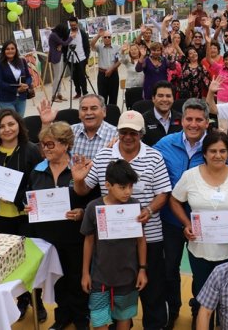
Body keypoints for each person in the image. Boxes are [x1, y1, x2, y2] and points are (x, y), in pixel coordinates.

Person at [72, 110, 171, 330]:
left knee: (151, 293)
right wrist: (78, 180)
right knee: (112, 298)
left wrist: (149, 210)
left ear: (141, 134)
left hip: (147, 236)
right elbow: (83, 188)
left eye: (133, 133)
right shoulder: (103, 155)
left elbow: (164, 193)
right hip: (108, 244)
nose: (128, 137)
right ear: (118, 132)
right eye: (124, 132)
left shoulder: (154, 156)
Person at [169, 130, 228, 326]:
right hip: (200, 249)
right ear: (204, 153)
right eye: (213, 151)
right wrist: (187, 224)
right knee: (201, 295)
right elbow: (174, 200)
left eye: (223, 151)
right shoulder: (190, 176)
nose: (218, 155)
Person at [26, 122, 93, 330]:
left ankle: (81, 318)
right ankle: (62, 316)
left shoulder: (81, 167)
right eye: (43, 145)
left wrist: (82, 212)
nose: (45, 149)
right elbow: (27, 194)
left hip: (75, 236)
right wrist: (28, 206)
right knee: (58, 279)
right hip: (48, 238)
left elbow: (94, 200)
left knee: (77, 278)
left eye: (50, 145)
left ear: (65, 145)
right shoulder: (38, 170)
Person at [0, 108, 44, 321]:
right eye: (2, 126)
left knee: (29, 261)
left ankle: (38, 299)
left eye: (11, 124)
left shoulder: (31, 149)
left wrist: (21, 199)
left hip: (23, 215)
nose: (7, 129)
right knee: (10, 262)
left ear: (19, 125)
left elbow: (38, 182)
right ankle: (22, 299)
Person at [154, 99, 210, 326]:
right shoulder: (165, 144)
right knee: (169, 268)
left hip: (203, 223)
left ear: (207, 122)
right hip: (170, 220)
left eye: (199, 120)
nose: (193, 124)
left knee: (202, 269)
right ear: (182, 120)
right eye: (189, 119)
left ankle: (200, 309)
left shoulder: (213, 146)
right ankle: (173, 308)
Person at [81, 160, 148, 330]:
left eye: (131, 187)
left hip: (128, 277)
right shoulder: (93, 207)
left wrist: (142, 269)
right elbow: (88, 241)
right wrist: (85, 274)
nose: (127, 192)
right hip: (99, 278)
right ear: (108, 185)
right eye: (122, 187)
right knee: (99, 320)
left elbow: (141, 240)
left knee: (124, 317)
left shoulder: (135, 206)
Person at [38, 95, 118, 158]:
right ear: (79, 114)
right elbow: (45, 154)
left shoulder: (116, 135)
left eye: (93, 108)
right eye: (84, 109)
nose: (88, 112)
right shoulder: (69, 131)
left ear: (103, 112)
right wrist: (46, 124)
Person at [0, 40, 33, 117]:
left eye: (12, 48)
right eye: (7, 49)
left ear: (16, 50)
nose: (10, 51)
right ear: (4, 50)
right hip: (6, 99)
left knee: (20, 121)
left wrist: (26, 85)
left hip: (21, 98)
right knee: (11, 121)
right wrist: (16, 90)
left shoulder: (22, 61)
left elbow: (28, 77)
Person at [141, 81, 182, 147]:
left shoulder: (182, 120)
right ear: (153, 98)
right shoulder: (142, 120)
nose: (164, 99)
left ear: (173, 99)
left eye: (168, 96)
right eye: (160, 96)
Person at [90, 29, 121, 106]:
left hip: (113, 74)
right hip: (102, 74)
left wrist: (111, 69)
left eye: (109, 37)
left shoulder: (117, 47)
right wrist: (98, 35)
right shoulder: (99, 47)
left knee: (113, 97)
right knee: (102, 98)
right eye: (105, 37)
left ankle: (112, 116)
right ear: (102, 38)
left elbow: (119, 60)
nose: (107, 39)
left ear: (111, 38)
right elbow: (92, 44)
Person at [67, 16, 90, 98]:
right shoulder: (67, 33)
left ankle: (85, 92)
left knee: (82, 76)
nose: (73, 27)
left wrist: (86, 58)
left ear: (77, 24)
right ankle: (78, 92)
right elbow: (64, 44)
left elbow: (87, 47)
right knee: (74, 77)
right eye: (71, 25)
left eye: (74, 25)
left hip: (81, 58)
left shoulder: (83, 33)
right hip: (71, 58)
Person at [49, 23, 72, 102]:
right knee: (57, 77)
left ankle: (59, 94)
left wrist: (60, 45)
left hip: (59, 55)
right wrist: (71, 37)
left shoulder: (56, 34)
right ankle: (53, 95)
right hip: (56, 58)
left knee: (60, 76)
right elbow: (65, 43)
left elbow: (61, 42)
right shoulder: (54, 35)